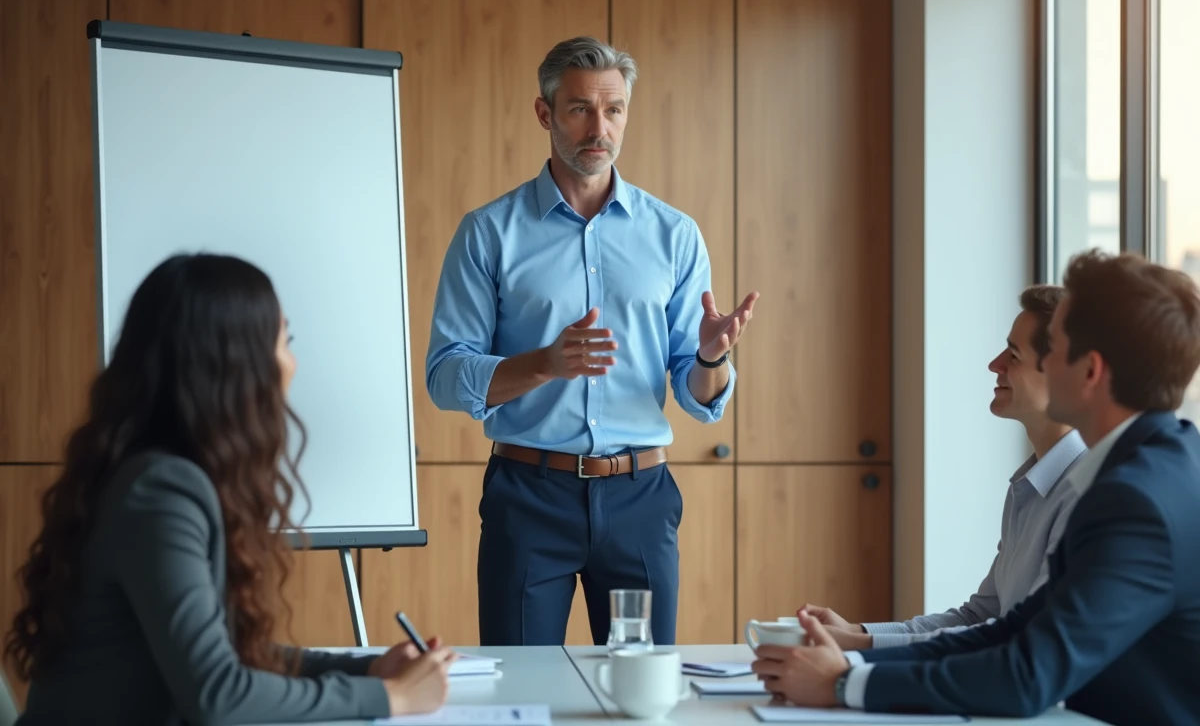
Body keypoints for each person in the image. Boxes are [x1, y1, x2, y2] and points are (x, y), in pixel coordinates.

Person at [750, 250, 1200, 726]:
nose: (1033, 362)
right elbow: (1011, 630)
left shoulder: (1135, 502)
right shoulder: (1152, 468)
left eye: (1053, 348)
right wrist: (853, 665)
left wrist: (843, 684)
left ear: (1089, 371)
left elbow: (1027, 676)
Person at [4, 254, 455, 724]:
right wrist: (391, 699)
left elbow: (233, 658)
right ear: (237, 366)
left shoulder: (162, 477)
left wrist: (370, 672)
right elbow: (219, 695)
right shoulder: (159, 494)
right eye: (286, 341)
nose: (293, 365)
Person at [425, 36, 758, 647]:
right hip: (528, 497)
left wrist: (712, 356)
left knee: (640, 697)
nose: (598, 127)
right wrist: (544, 365)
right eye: (580, 108)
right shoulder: (488, 233)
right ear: (545, 113)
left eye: (615, 109)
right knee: (519, 696)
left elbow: (698, 392)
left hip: (640, 497)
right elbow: (446, 376)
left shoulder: (675, 236)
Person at [803, 285, 1087, 650]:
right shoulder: (1029, 487)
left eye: (1014, 355)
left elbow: (1021, 637)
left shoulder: (1083, 493)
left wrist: (861, 649)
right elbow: (980, 617)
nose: (994, 364)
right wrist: (858, 634)